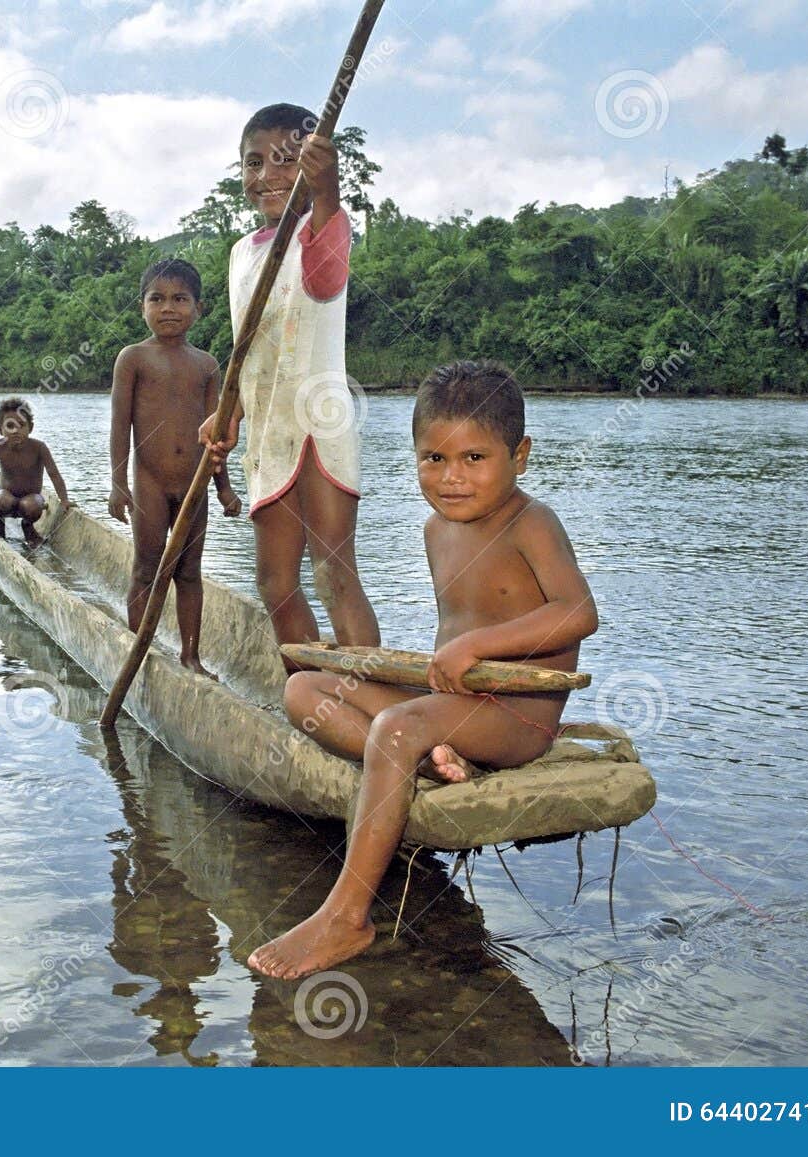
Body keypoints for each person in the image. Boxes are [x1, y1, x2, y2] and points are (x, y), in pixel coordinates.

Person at [247, 362, 599, 979]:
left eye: (473, 458)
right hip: (458, 704)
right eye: (433, 458)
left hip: (516, 718)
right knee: (305, 691)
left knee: (397, 730)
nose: (452, 478)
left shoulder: (531, 522)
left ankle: (347, 916)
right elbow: (452, 637)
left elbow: (578, 612)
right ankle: (436, 759)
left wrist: (479, 647)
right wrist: (432, 673)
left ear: (520, 456)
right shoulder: (437, 529)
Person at [199, 103, 379, 652]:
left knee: (332, 574)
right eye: (254, 164)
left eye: (285, 161)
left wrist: (327, 191)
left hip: (320, 423)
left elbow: (323, 281)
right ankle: (309, 689)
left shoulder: (320, 230)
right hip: (270, 434)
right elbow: (249, 354)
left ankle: (367, 697)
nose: (267, 176)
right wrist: (229, 414)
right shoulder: (238, 256)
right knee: (275, 584)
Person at [109, 258, 241, 675]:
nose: (168, 308)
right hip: (148, 481)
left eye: (180, 299)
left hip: (195, 485)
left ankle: (190, 656)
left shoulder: (206, 365)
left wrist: (223, 487)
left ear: (198, 309)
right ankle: (139, 653)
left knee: (188, 572)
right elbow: (120, 425)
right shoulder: (133, 359)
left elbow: (217, 433)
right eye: (157, 299)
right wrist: (118, 484)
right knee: (146, 568)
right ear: (142, 307)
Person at [0, 397, 70, 545]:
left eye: (21, 425)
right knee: (0, 500)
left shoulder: (39, 447)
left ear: (31, 427)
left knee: (33, 506)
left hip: (30, 498)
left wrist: (64, 499)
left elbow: (54, 474)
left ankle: (28, 527)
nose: (16, 431)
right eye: (10, 426)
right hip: (5, 495)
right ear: (0, 429)